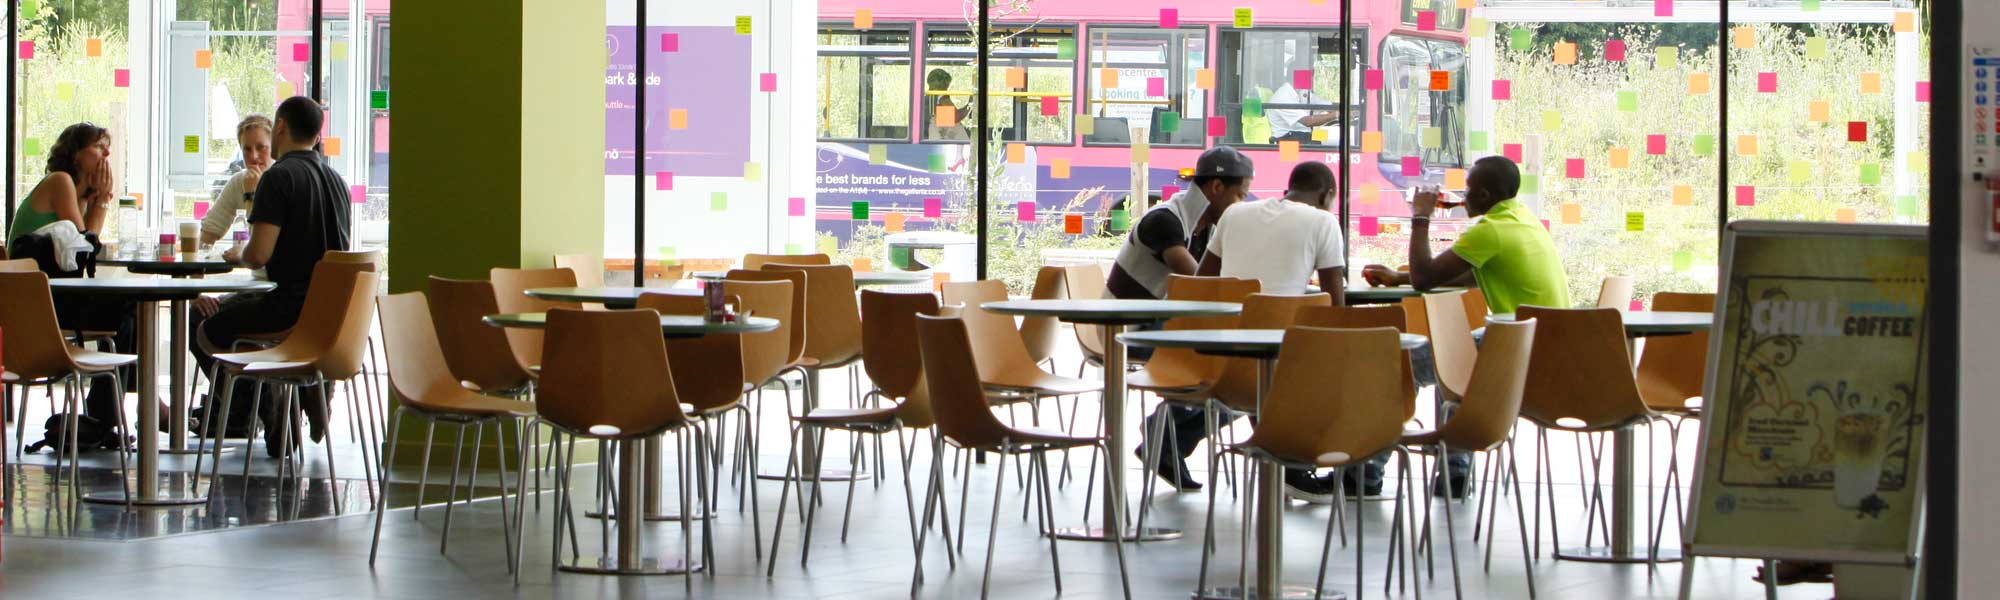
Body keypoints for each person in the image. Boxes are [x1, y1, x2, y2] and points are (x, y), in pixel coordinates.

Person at [1148, 161, 1349, 502]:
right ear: (1328, 195)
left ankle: (1173, 429)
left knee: (1252, 380)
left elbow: (1203, 284)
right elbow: (1335, 304)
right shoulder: (1324, 222)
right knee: (1290, 371)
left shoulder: (1235, 214)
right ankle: (1291, 467)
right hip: (1276, 349)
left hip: (1223, 343)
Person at [194, 96, 353, 457]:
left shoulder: (278, 178)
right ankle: (299, 387)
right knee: (235, 318)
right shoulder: (336, 180)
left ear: (280, 127)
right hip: (329, 315)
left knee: (207, 327)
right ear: (316, 134)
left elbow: (259, 255)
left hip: (288, 309)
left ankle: (274, 392)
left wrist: (241, 254)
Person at [1114, 147, 1252, 494]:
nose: (1243, 204)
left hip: (1166, 324)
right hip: (1127, 328)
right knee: (1240, 371)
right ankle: (1165, 433)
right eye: (1240, 194)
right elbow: (1197, 285)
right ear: (1217, 188)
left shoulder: (1206, 228)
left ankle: (1165, 437)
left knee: (1247, 378)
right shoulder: (1166, 220)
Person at [8, 122, 136, 425]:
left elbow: (82, 251)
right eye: (98, 147)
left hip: (55, 300)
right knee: (128, 311)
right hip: (39, 310)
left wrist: (97, 201)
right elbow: (85, 252)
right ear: (75, 154)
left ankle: (107, 414)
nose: (106, 155)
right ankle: (111, 414)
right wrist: (103, 202)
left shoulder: (78, 196)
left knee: (131, 310)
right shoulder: (60, 181)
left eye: (108, 148)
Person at [1361, 155, 1569, 313]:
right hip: (1550, 338)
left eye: (1467, 189)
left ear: (1483, 195)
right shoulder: (1522, 217)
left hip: (1528, 347)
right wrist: (1398, 278)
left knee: (1431, 351)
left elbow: (1423, 278)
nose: (1463, 195)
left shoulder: (1491, 229)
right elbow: (1470, 276)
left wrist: (1421, 216)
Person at [1266, 82, 1342, 143]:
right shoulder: (1283, 96)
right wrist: (1336, 115)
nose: (1311, 79)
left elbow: (1324, 104)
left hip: (1303, 135)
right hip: (1286, 140)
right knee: (1292, 161)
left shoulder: (1302, 92)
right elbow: (1307, 121)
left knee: (1330, 138)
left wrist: (1346, 109)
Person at [924, 69, 970, 141]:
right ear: (943, 84)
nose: (947, 88)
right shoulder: (941, 98)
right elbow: (954, 117)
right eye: (947, 85)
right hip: (936, 141)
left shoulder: (925, 98)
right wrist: (970, 104)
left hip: (927, 139)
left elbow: (945, 119)